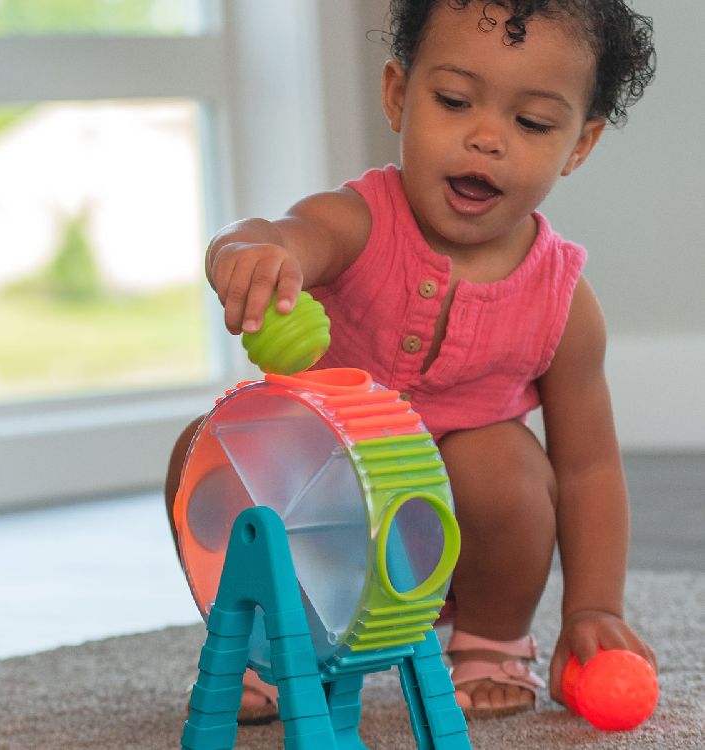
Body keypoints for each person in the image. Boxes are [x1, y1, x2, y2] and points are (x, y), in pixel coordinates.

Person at [165, 0, 657, 721]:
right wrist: (248, 254)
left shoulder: (563, 302)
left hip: (458, 541)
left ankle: (490, 639)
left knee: (505, 463)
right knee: (203, 450)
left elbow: (587, 470)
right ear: (398, 95)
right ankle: (272, 641)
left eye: (532, 123)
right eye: (455, 101)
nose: (486, 138)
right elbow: (279, 232)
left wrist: (593, 607)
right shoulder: (358, 223)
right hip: (319, 521)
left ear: (578, 145)